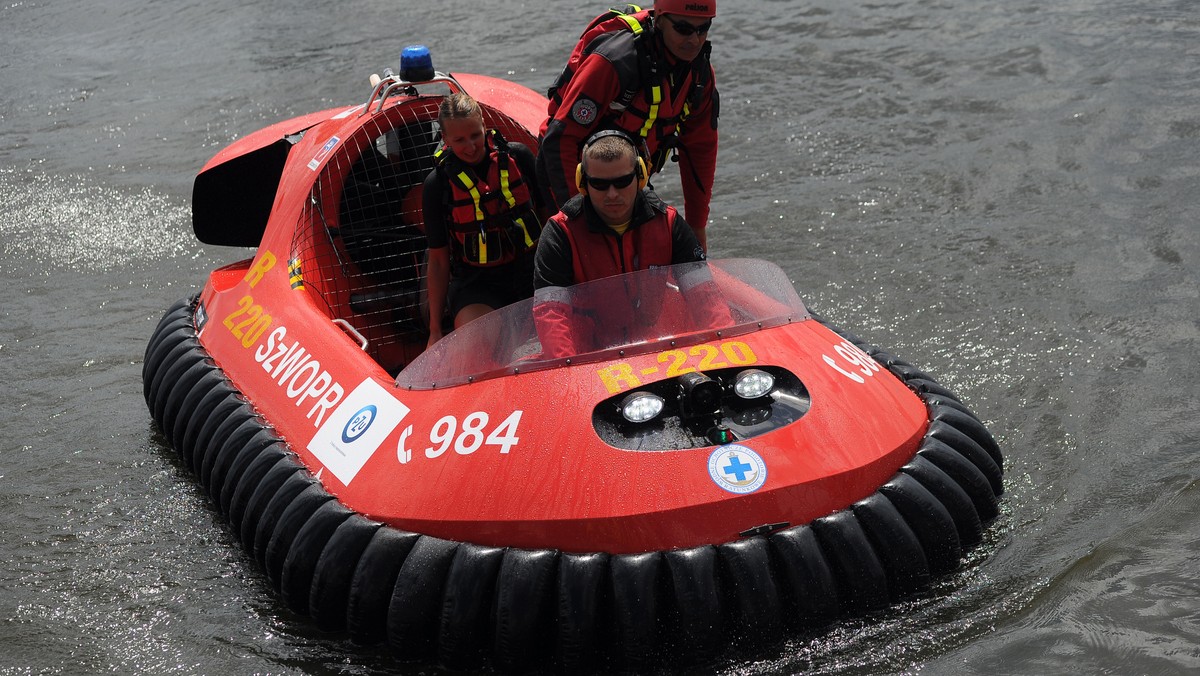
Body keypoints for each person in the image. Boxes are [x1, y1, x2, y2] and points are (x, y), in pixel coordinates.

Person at [536, 0, 719, 251]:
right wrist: (578, 221)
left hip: (627, 180)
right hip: (570, 173)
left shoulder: (700, 76)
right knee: (590, 258)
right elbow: (559, 141)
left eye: (703, 29)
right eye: (684, 29)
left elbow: (701, 148)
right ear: (661, 20)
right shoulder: (614, 61)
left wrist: (697, 225)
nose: (695, 40)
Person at [533, 129, 727, 357]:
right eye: (600, 185)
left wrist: (724, 348)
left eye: (623, 182)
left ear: (641, 177)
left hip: (654, 351)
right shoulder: (560, 233)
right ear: (583, 183)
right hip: (584, 360)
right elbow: (551, 315)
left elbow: (706, 298)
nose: (613, 194)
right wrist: (567, 370)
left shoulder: (669, 222)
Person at [422, 93, 544, 347]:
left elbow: (554, 220)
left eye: (475, 135)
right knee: (479, 342)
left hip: (533, 272)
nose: (470, 146)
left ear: (484, 126)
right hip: (477, 285)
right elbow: (438, 261)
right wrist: (434, 331)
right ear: (445, 140)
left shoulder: (519, 157)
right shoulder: (437, 185)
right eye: (459, 140)